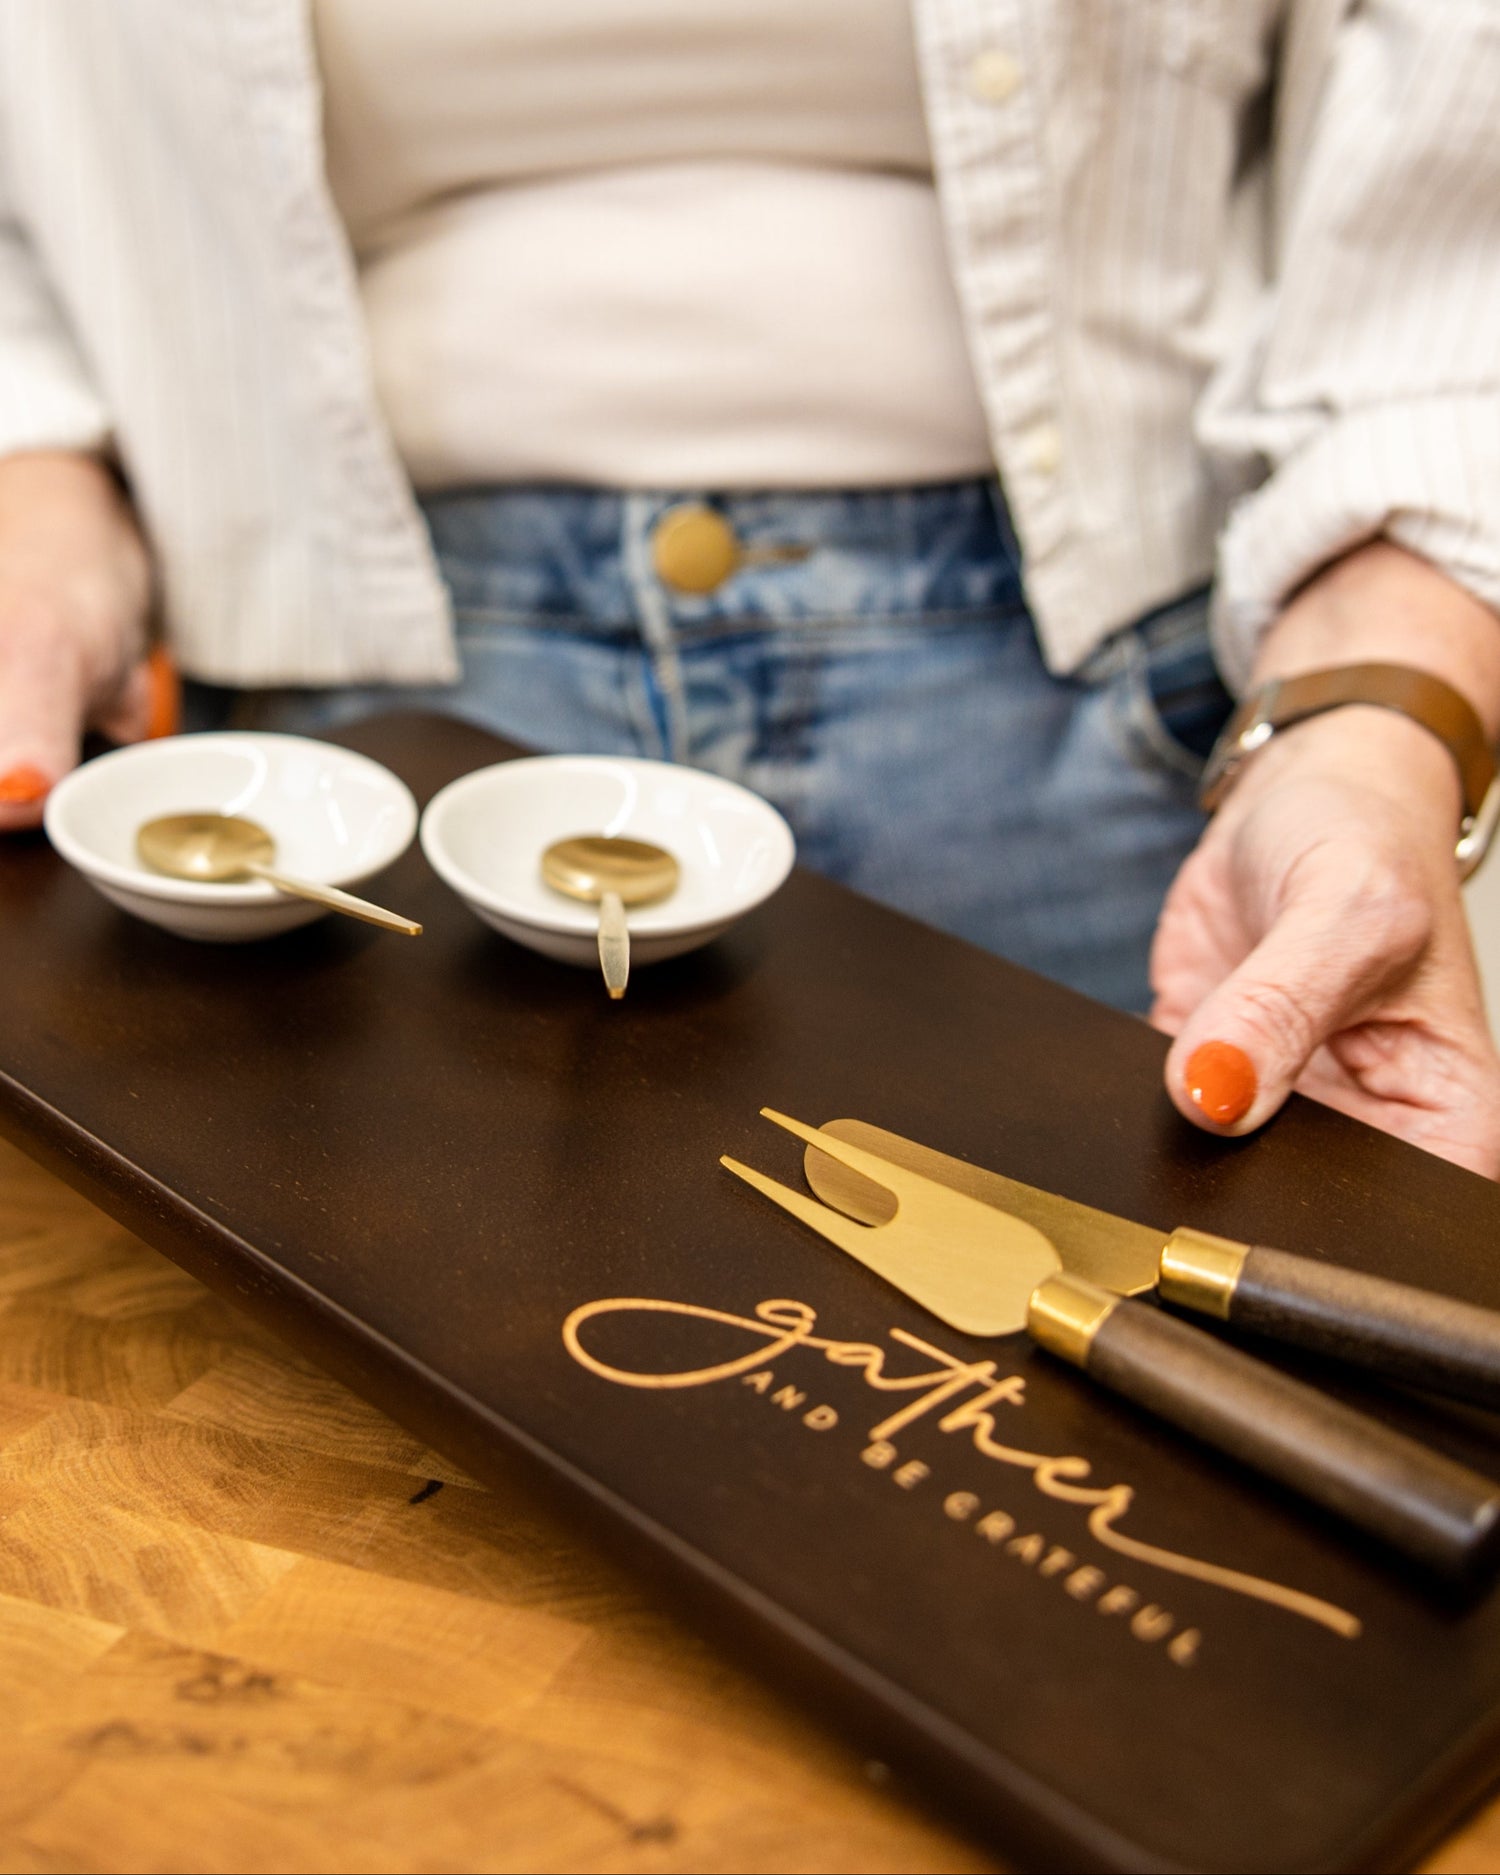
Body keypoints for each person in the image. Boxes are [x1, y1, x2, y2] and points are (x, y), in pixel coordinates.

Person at [1, 2, 1498, 1174]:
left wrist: (1375, 714)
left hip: (1085, 710)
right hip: (362, 711)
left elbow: (1452, 178)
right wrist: (35, 477)